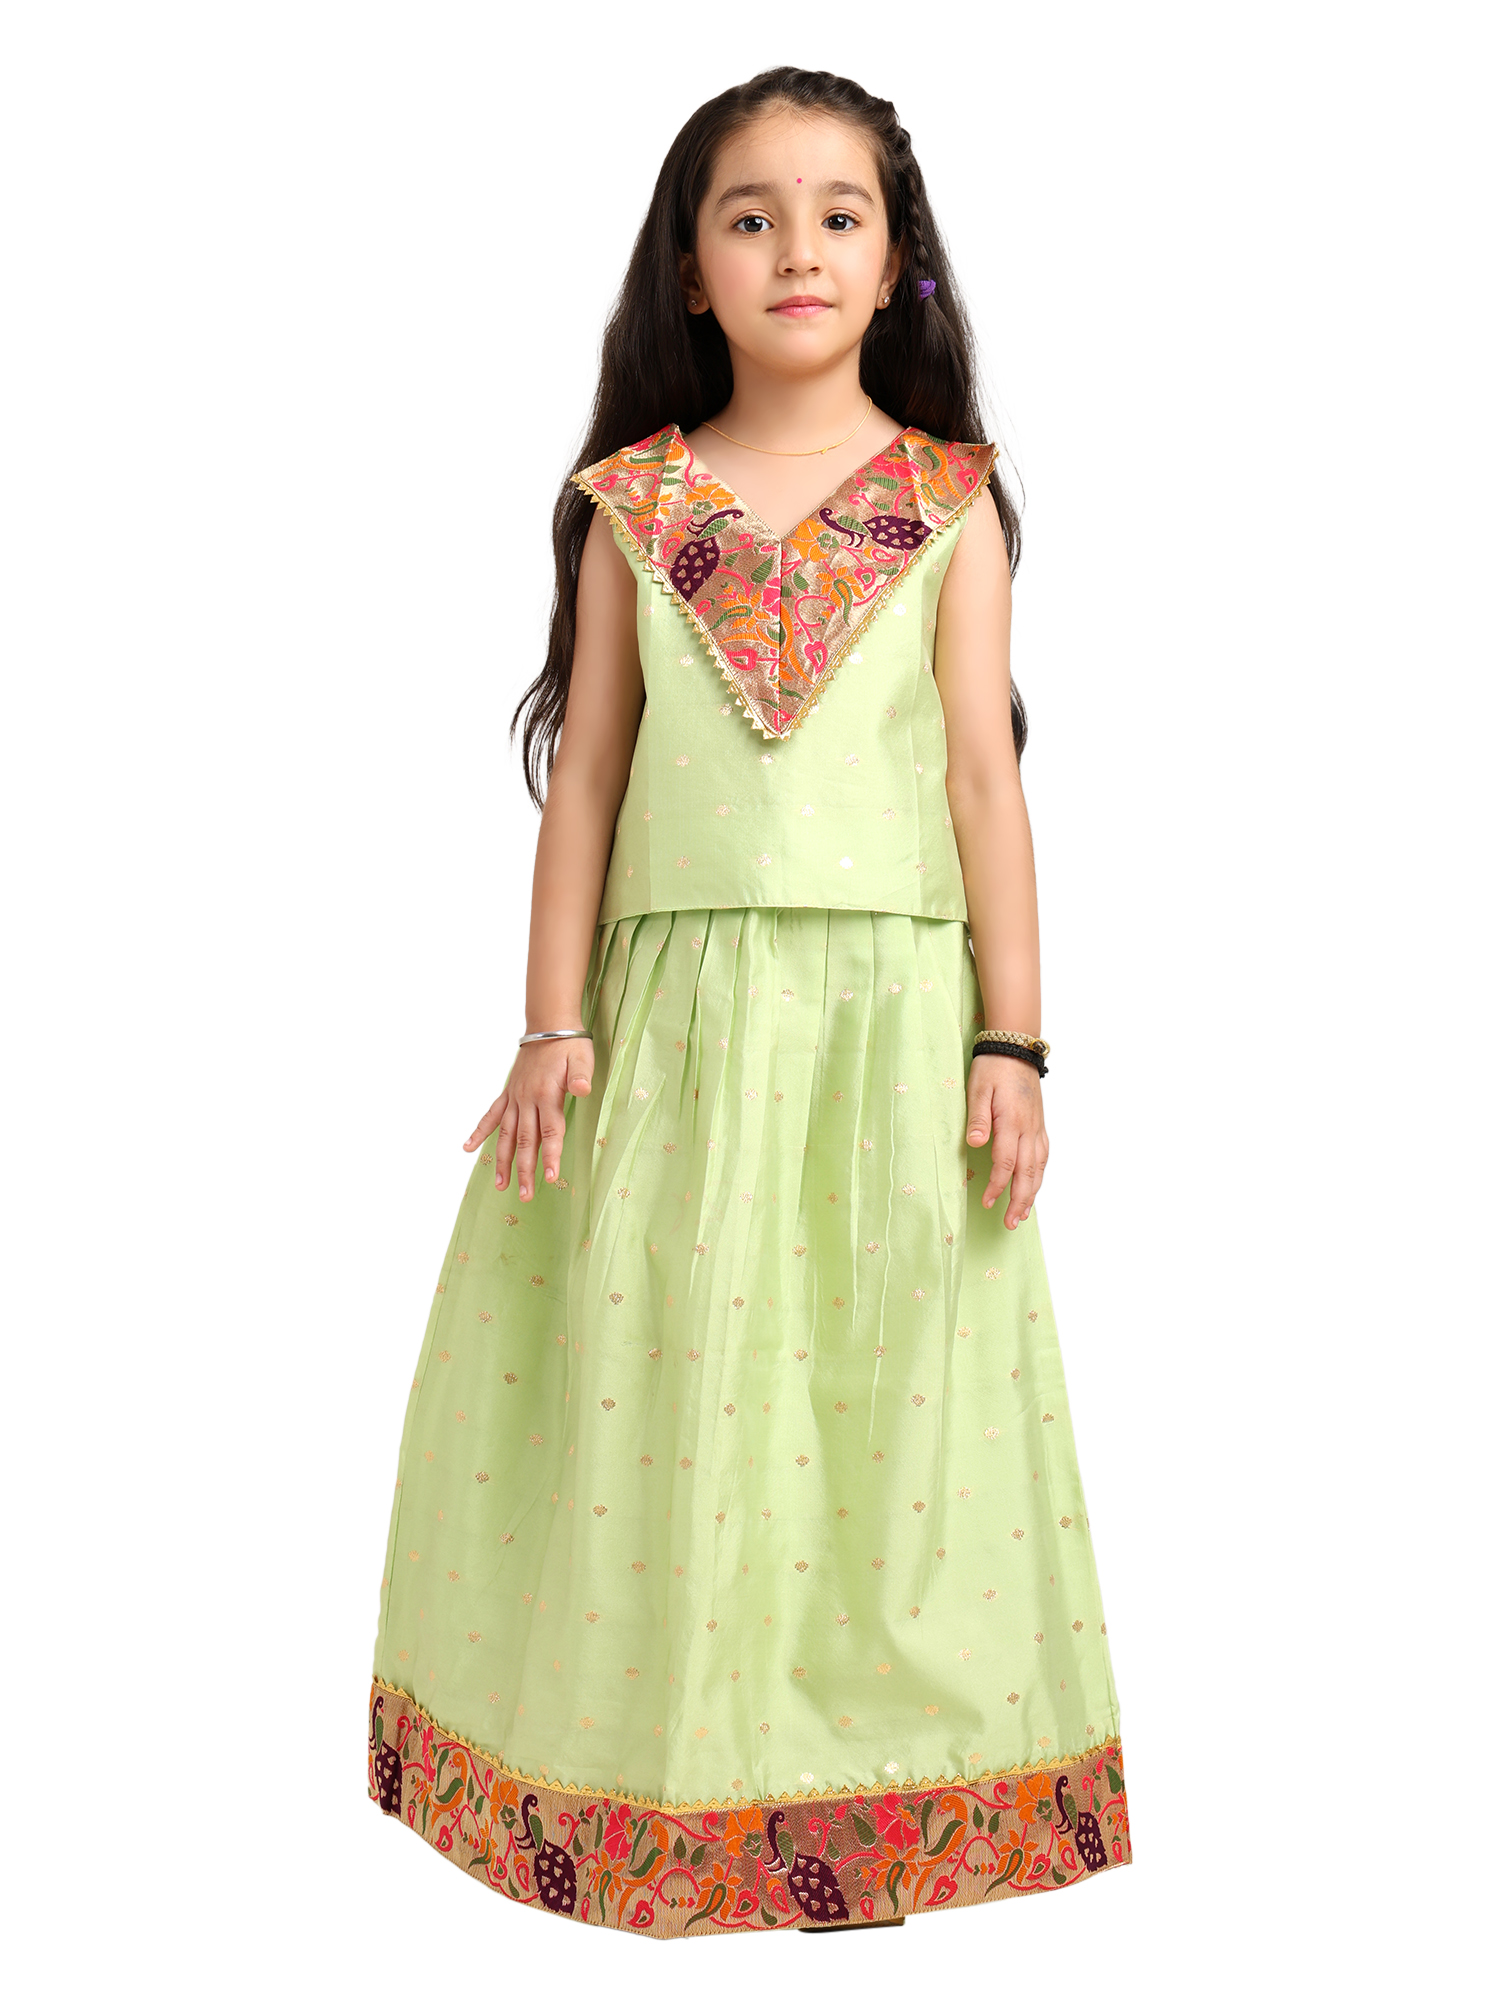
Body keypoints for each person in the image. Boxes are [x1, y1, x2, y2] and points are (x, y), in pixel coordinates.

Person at [366, 65, 1130, 1937]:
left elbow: (983, 784)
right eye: (752, 215)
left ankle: (871, 1801)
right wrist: (552, 1024)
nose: (799, 247)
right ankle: (654, 1782)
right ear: (692, 268)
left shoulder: (949, 504)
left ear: (898, 261)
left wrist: (1013, 1040)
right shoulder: (636, 504)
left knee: (882, 1388)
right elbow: (591, 779)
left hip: (890, 1019)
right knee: (671, 1375)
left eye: (840, 214)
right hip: (679, 1021)